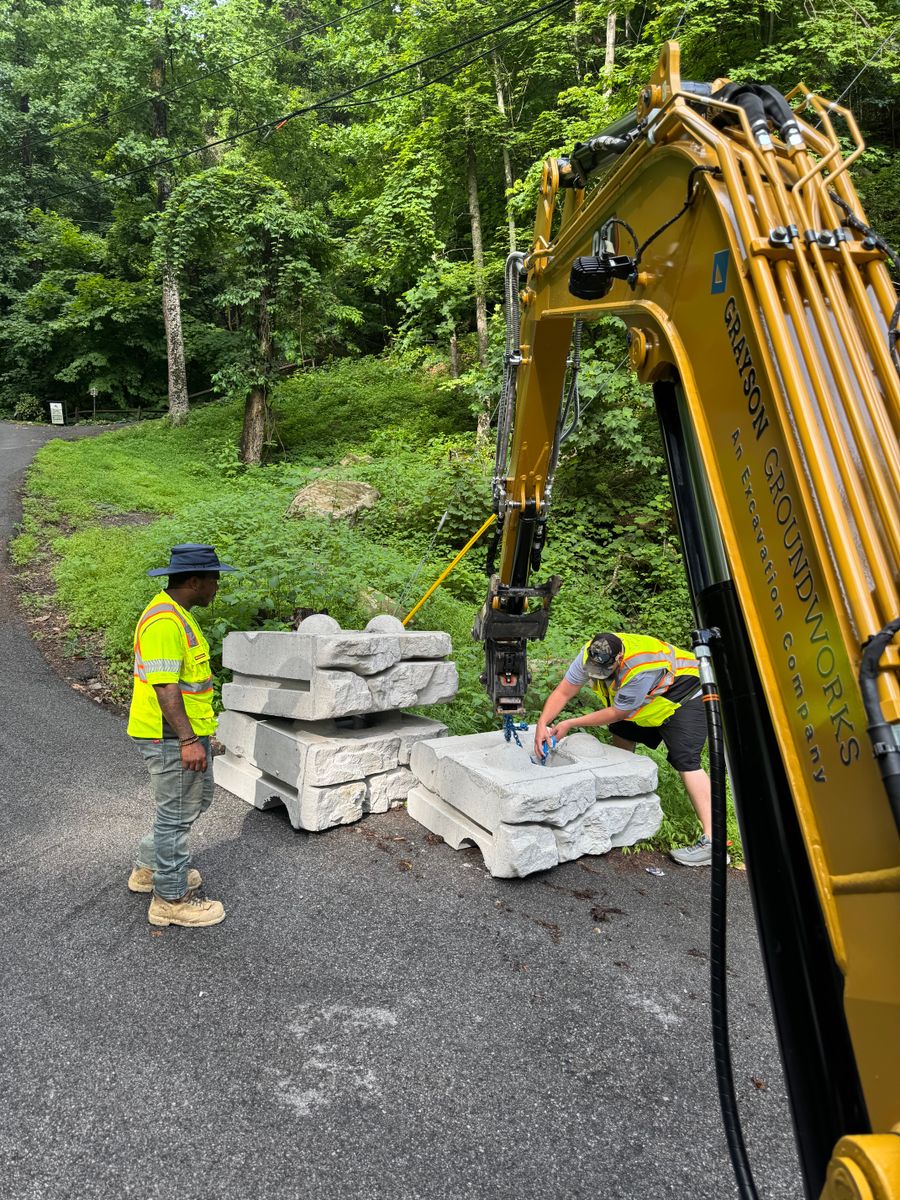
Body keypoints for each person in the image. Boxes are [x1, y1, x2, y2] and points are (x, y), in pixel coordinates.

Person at [534, 631, 722, 867]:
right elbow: (564, 691)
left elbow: (619, 711)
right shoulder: (588, 654)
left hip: (688, 695)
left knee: (686, 761)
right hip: (652, 700)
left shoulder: (642, 667)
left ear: (619, 657)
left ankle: (714, 843)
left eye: (605, 671)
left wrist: (569, 723)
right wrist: (542, 723)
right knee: (622, 731)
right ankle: (620, 805)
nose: (598, 676)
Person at [126, 543, 236, 926]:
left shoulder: (178, 615)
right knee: (175, 816)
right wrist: (188, 741)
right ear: (194, 581)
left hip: (183, 733)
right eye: (213, 579)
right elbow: (165, 687)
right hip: (170, 736)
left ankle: (148, 870)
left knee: (190, 804)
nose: (217, 587)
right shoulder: (164, 623)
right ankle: (170, 899)